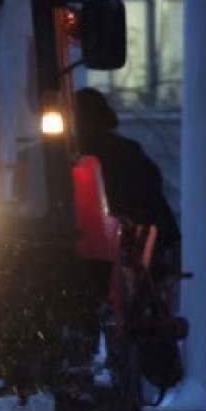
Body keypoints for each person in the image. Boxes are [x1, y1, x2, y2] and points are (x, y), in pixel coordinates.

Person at [73, 87, 182, 284]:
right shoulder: (127, 155)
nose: (83, 129)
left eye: (85, 121)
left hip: (117, 262)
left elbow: (151, 219)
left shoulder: (127, 158)